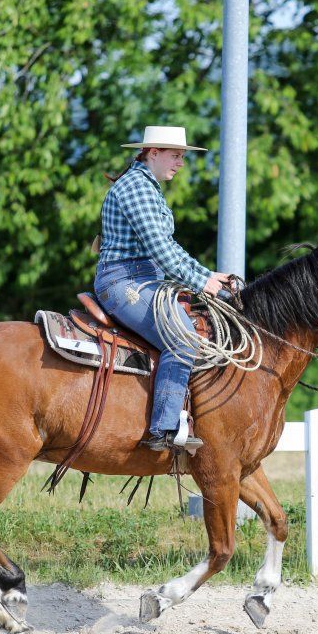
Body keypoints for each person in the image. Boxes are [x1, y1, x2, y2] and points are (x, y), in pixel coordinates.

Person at [93, 125, 232, 451]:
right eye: (175, 155)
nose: (181, 162)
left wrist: (208, 274)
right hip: (124, 282)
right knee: (183, 338)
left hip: (144, 278)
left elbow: (169, 249)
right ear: (152, 152)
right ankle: (165, 429)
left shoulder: (146, 185)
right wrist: (203, 283)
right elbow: (161, 250)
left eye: (183, 156)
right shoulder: (138, 189)